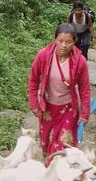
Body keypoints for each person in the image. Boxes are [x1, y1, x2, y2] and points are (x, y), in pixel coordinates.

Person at [28, 23, 91, 160]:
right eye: (60, 41)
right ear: (54, 39)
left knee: (63, 146)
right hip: (47, 109)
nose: (64, 45)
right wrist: (34, 104)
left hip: (68, 109)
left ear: (74, 42)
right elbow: (33, 80)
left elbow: (84, 89)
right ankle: (50, 175)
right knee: (46, 144)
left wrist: (85, 114)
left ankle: (62, 176)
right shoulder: (43, 56)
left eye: (68, 42)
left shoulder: (80, 62)